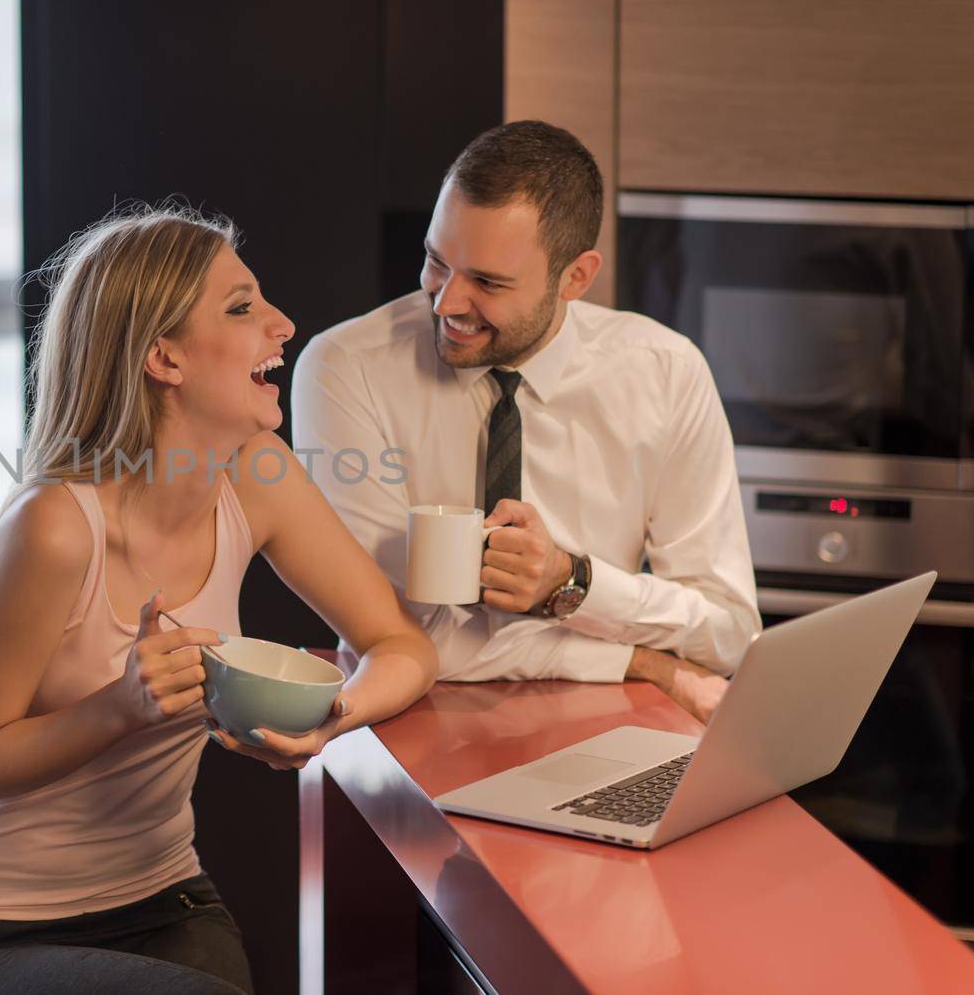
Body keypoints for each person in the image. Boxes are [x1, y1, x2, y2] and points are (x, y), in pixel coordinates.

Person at [0, 205, 439, 994]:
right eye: (242, 307)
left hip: (163, 895)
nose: (283, 325)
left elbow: (403, 645)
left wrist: (333, 720)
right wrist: (120, 706)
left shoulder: (259, 475)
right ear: (164, 356)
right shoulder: (54, 526)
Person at [292, 120, 760, 724]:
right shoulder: (344, 369)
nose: (446, 302)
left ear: (576, 278)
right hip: (409, 726)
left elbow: (728, 634)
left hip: (608, 730)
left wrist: (574, 580)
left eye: (487, 282)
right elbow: (405, 643)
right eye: (437, 260)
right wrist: (643, 661)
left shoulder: (666, 373)